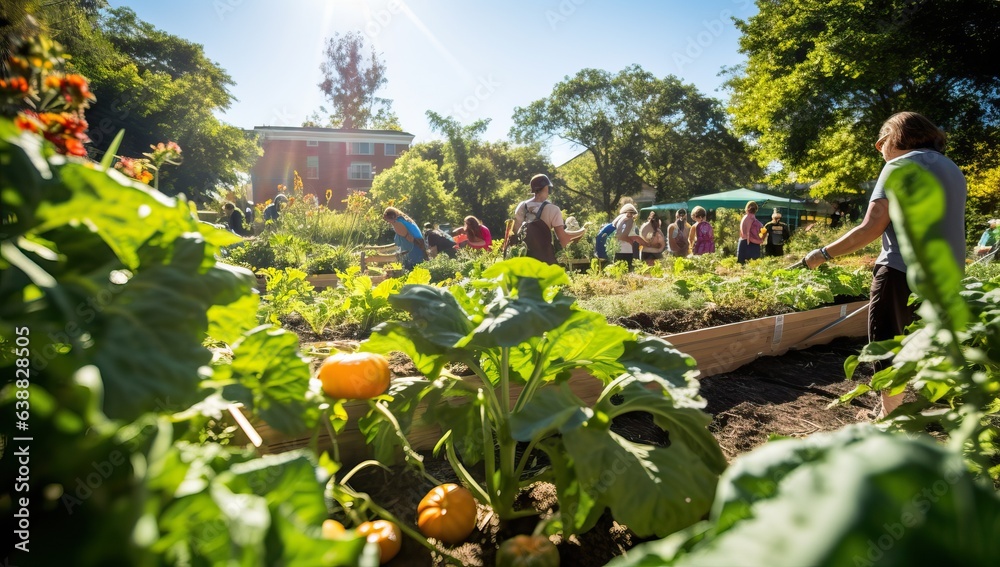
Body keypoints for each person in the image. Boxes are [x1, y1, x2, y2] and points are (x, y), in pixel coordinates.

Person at [803, 111, 967, 419]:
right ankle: (931, 410)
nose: (879, 149)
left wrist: (821, 254)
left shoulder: (899, 165)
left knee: (887, 344)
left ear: (897, 136)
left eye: (882, 139)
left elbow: (872, 226)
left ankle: (890, 419)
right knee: (923, 343)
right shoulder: (952, 169)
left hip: (901, 271)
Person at [512, 174, 587, 265]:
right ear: (545, 188)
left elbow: (514, 233)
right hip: (545, 259)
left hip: (525, 259)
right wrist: (581, 231)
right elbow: (563, 240)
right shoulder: (553, 209)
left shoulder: (522, 206)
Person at [612, 203, 647, 270]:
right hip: (627, 251)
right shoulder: (629, 220)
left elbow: (618, 234)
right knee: (628, 272)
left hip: (617, 250)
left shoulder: (618, 219)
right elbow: (622, 236)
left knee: (618, 273)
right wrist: (632, 242)